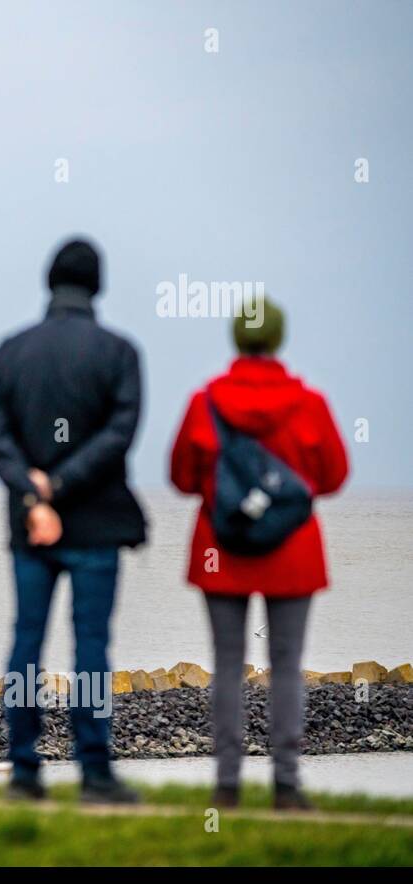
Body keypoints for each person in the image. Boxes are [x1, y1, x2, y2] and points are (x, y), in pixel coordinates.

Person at [0, 237, 147, 803]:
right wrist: (64, 483)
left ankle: (24, 771)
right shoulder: (120, 353)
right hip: (96, 522)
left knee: (26, 642)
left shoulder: (9, 352)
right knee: (91, 645)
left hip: (31, 526)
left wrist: (32, 490)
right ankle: (95, 771)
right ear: (97, 285)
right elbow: (119, 434)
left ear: (50, 281)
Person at [169, 297, 347, 810]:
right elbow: (333, 476)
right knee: (287, 664)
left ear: (236, 338)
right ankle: (286, 785)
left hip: (222, 549)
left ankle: (227, 784)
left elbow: (182, 477)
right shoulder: (309, 403)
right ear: (278, 338)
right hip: (292, 549)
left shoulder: (206, 403)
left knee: (227, 664)